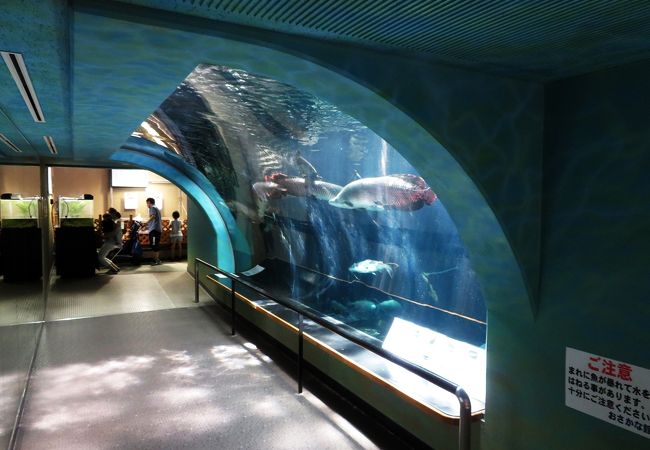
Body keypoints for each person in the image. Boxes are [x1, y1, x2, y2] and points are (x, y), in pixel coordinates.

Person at [146, 197, 162, 265]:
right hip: (156, 230)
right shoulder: (156, 208)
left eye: (147, 203)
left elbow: (153, 217)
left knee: (154, 244)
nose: (147, 205)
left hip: (154, 230)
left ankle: (156, 260)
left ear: (149, 202)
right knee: (155, 244)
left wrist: (146, 222)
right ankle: (156, 259)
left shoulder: (152, 208)